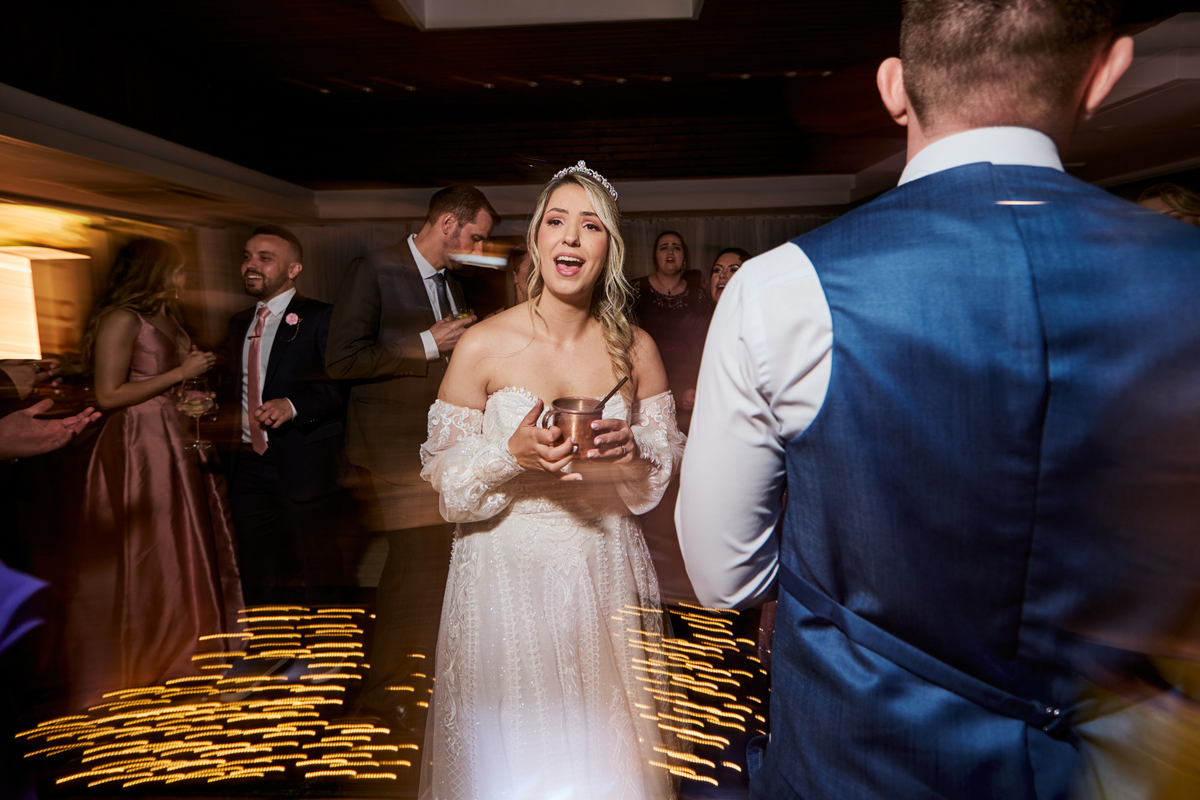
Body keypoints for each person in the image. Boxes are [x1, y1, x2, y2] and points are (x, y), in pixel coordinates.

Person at [679, 1, 1200, 798]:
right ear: (1104, 76)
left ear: (895, 87)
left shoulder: (783, 287)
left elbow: (724, 575)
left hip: (859, 766)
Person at [417, 162, 683, 800]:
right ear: (537, 240)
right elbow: (444, 479)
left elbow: (666, 460)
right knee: (512, 756)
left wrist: (634, 451)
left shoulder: (636, 349)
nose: (570, 237)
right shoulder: (482, 345)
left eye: (590, 225)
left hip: (604, 564)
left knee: (606, 755)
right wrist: (509, 454)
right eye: (556, 221)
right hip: (503, 572)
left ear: (609, 247)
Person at [325, 185, 495, 734]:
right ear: (447, 224)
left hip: (439, 448)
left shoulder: (452, 283)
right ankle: (383, 694)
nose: (479, 249)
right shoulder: (373, 270)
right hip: (392, 450)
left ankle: (416, 676)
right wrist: (426, 343)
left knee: (429, 567)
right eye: (476, 238)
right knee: (412, 569)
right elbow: (341, 361)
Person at [70, 238, 243, 709]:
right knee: (153, 547)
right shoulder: (122, 318)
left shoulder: (168, 316)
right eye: (177, 271)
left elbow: (166, 382)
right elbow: (108, 394)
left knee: (187, 542)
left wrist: (194, 396)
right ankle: (148, 657)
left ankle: (194, 651)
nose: (184, 280)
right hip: (139, 445)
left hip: (176, 437)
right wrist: (179, 374)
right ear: (153, 272)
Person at [222, 226, 347, 605]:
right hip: (246, 465)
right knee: (257, 567)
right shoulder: (237, 322)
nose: (251, 265)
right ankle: (267, 638)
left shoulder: (321, 317)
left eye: (265, 258)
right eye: (246, 256)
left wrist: (292, 405)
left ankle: (330, 637)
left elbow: (343, 386)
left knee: (318, 566)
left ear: (294, 270)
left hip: (303, 461)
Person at [631, 231, 710, 433]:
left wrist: (694, 386)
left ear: (684, 257)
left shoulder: (698, 295)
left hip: (687, 389)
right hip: (646, 383)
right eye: (664, 247)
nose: (670, 252)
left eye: (676, 247)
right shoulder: (635, 290)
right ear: (655, 257)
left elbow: (705, 346)